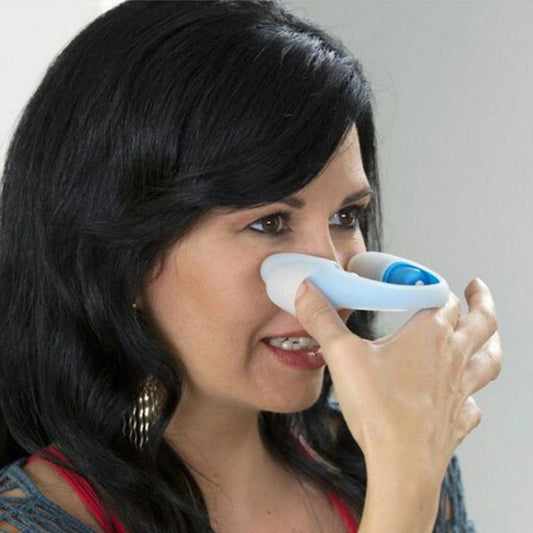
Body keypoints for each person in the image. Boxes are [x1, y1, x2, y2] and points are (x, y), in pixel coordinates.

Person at [0, 1, 503, 532]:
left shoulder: (392, 453)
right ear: (123, 256)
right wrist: (403, 490)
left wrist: (405, 467)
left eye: (346, 216)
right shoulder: (38, 521)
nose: (334, 284)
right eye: (269, 222)